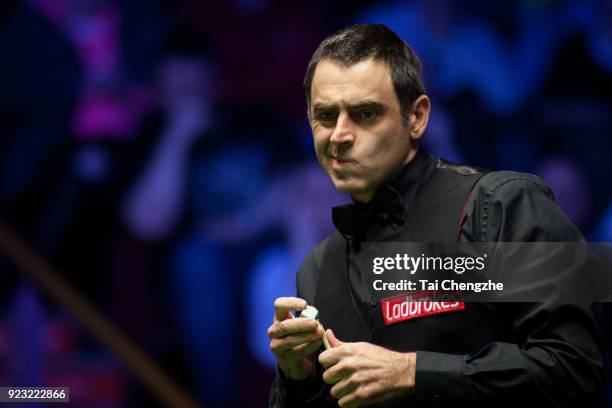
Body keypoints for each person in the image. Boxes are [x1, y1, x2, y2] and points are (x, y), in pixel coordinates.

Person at [267, 24, 604, 407]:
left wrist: (412, 372)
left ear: (417, 118)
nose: (339, 134)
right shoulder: (317, 267)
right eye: (325, 116)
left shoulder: (499, 206)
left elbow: (574, 369)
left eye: (365, 113)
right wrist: (299, 377)